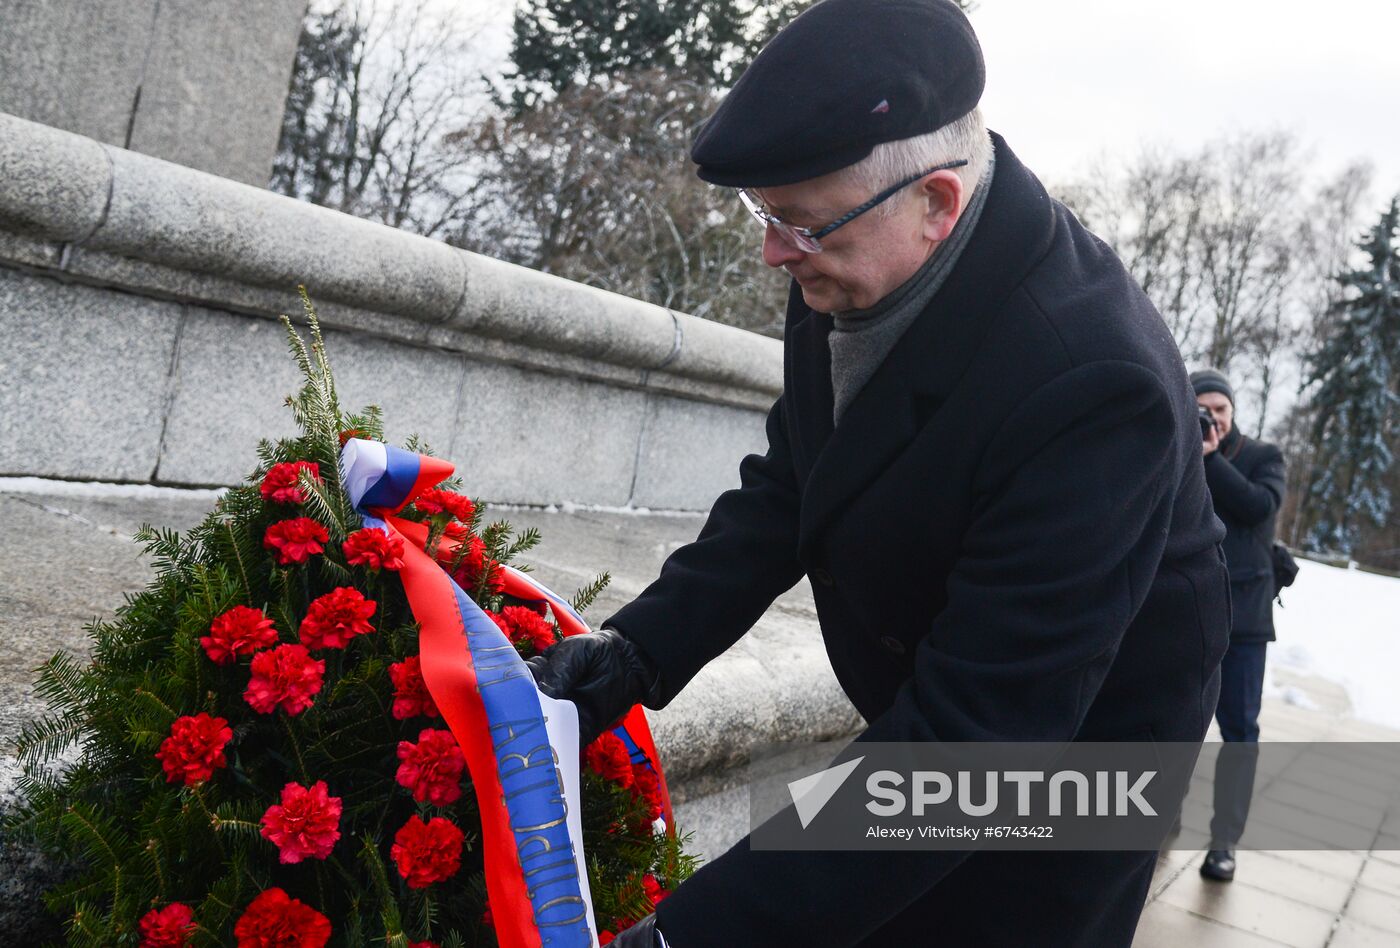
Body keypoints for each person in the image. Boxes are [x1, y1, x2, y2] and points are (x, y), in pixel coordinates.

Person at [528, 0, 1231, 943]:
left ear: (935, 202)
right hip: (947, 702)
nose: (777, 251)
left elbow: (978, 746)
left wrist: (688, 935)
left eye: (801, 226)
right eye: (767, 217)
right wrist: (640, 651)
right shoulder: (849, 250)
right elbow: (797, 478)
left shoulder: (1092, 383)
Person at [1192, 368, 1287, 882]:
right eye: (1203, 409)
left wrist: (1209, 458)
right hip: (1185, 616)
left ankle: (1224, 840)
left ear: (1233, 410)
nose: (1214, 419)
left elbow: (1258, 508)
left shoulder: (1263, 457)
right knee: (1172, 726)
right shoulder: (1175, 446)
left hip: (1244, 622)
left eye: (1220, 410)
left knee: (1239, 733)